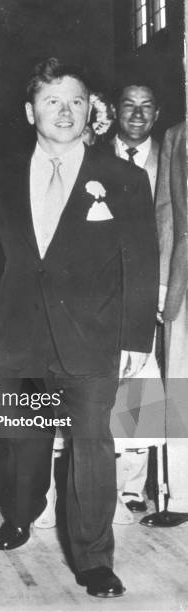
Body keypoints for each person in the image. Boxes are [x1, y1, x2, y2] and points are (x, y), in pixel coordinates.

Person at [0, 59, 158, 597]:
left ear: (91, 110)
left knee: (92, 444)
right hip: (21, 329)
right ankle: (22, 511)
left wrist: (136, 338)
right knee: (25, 437)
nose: (65, 112)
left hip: (93, 334)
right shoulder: (5, 172)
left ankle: (92, 558)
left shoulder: (123, 178)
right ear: (29, 111)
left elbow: (142, 258)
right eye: (51, 101)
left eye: (76, 101)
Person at [109, 82, 163, 522]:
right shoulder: (90, 155)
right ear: (115, 110)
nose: (138, 114)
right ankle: (94, 482)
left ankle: (131, 486)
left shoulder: (171, 160)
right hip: (104, 285)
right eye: (129, 105)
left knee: (144, 383)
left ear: (157, 114)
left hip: (154, 284)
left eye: (147, 107)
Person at [155, 121, 188, 524]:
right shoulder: (177, 135)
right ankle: (181, 496)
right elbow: (165, 211)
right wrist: (163, 282)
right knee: (179, 387)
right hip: (185, 276)